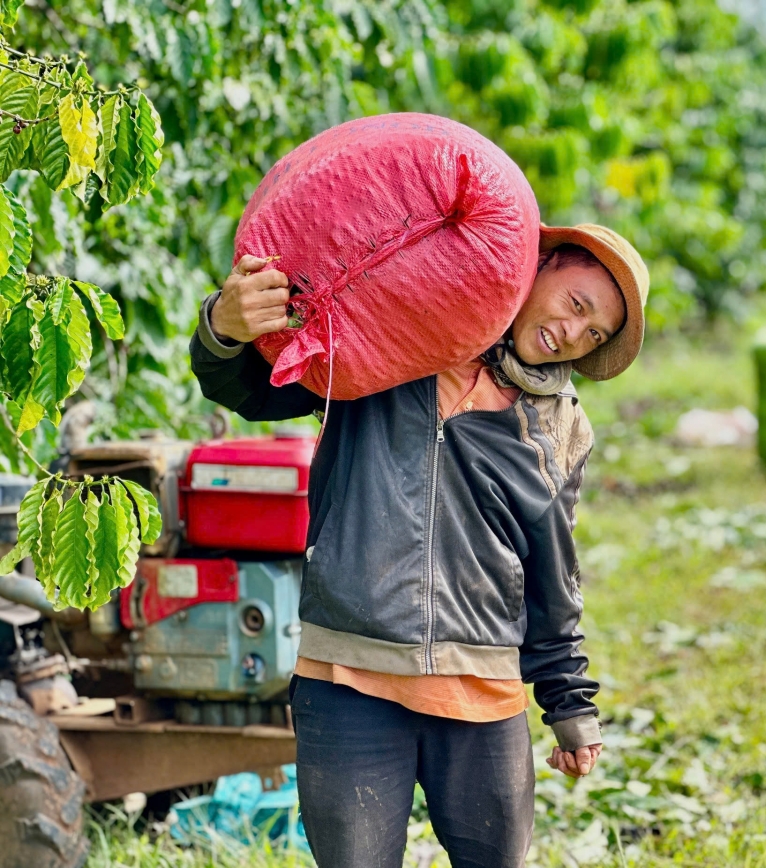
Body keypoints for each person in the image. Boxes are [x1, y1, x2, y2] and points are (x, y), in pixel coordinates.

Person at [190, 223, 649, 868]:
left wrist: (569, 701)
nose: (574, 334)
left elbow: (553, 575)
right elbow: (246, 389)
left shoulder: (560, 424)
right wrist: (224, 324)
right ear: (537, 266)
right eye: (576, 304)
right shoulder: (390, 342)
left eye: (594, 332)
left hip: (481, 692)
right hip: (348, 680)